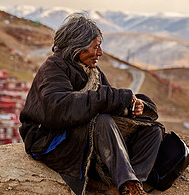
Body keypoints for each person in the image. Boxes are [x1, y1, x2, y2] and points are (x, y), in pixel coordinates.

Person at [19, 13, 163, 195]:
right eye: (95, 47)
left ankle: (130, 184)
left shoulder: (93, 72)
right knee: (101, 121)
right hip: (50, 141)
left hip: (82, 140)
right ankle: (127, 184)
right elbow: (59, 109)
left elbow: (107, 102)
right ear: (77, 48)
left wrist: (132, 107)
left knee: (152, 130)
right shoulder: (53, 68)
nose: (100, 53)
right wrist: (114, 98)